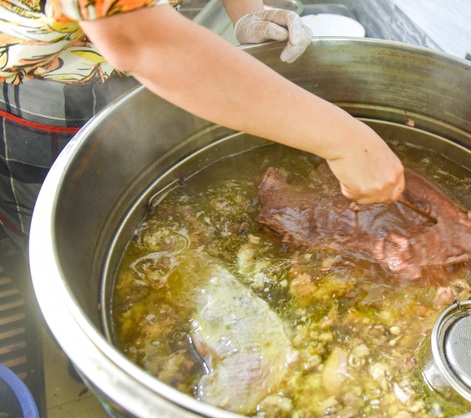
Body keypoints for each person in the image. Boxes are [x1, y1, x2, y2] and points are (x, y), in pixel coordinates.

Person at [0, 0, 405, 250]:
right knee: (64, 237)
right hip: (45, 83)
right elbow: (137, 39)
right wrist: (346, 142)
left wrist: (247, 11)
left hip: (153, 43)